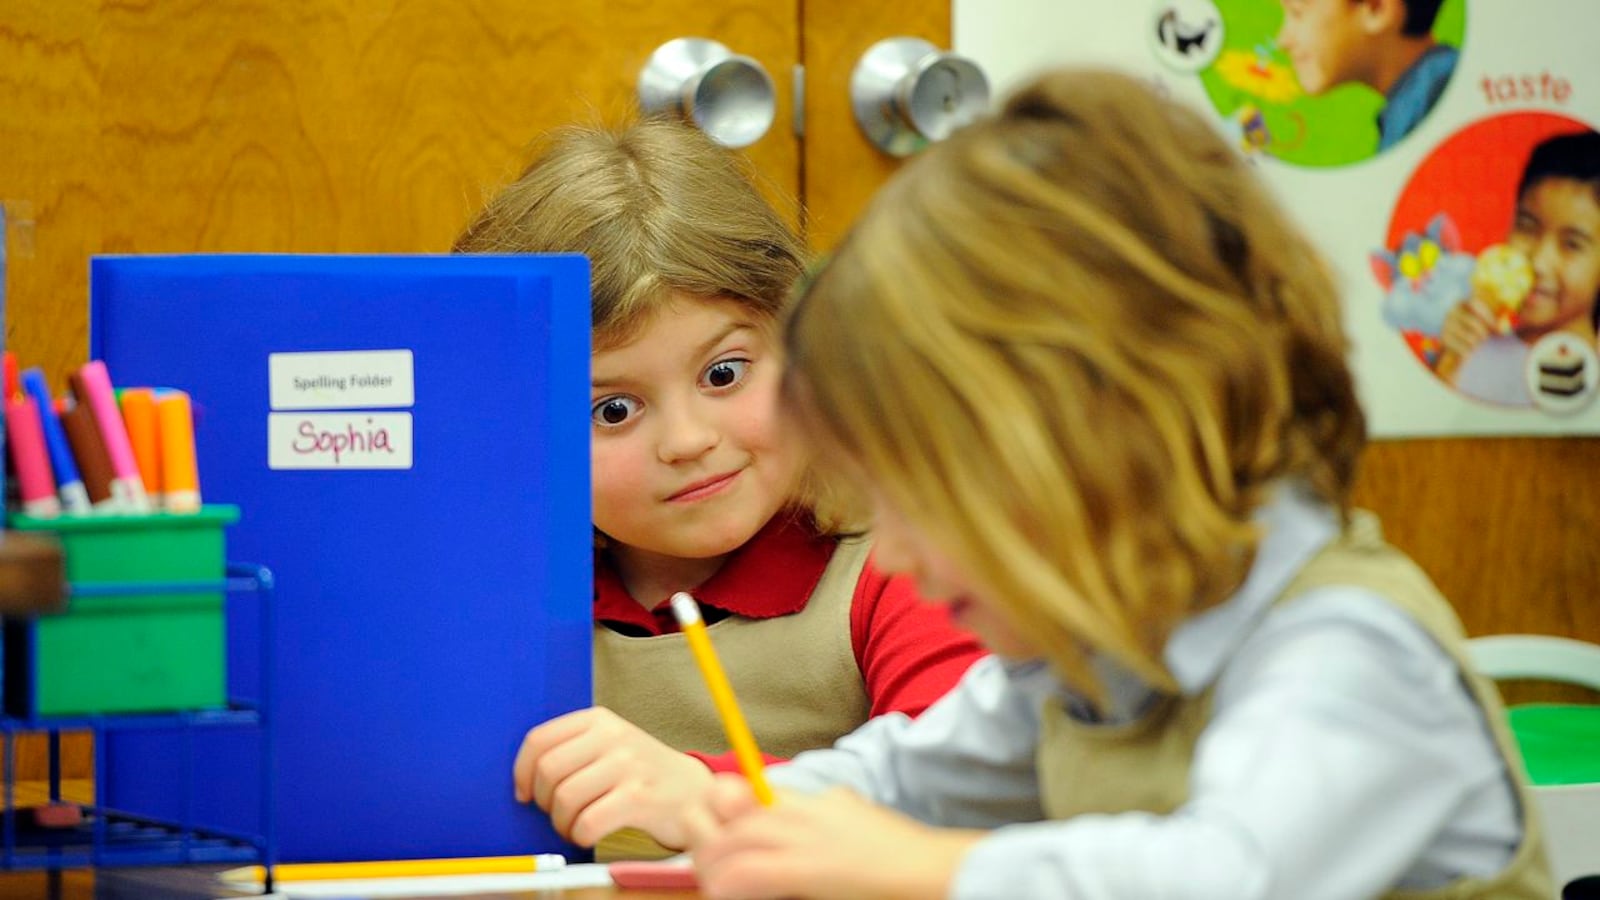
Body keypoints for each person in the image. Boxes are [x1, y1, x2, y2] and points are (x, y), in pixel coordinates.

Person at [684, 69, 1552, 899]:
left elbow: (1227, 879)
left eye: (925, 501)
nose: (898, 551)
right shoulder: (1097, 650)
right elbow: (904, 776)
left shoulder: (1351, 646)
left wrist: (923, 869)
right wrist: (731, 806)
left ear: (1101, 443)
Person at [452, 118, 985, 855]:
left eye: (723, 373)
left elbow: (968, 815)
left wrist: (707, 795)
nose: (688, 441)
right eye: (612, 409)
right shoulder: (501, 596)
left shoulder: (906, 562)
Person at [1442, 130, 1600, 406]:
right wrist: (1452, 360)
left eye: (1571, 244)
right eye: (1527, 228)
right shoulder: (1473, 357)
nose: (1538, 262)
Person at [1276, 0, 1458, 150]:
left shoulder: (1429, 106)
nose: (1282, 41)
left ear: (1376, 8)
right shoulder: (1426, 93)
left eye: (1297, 13)